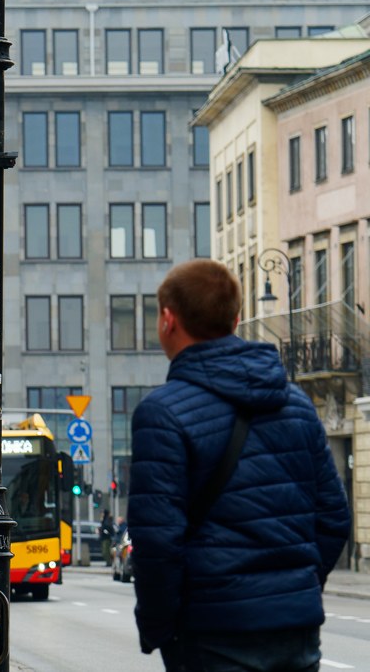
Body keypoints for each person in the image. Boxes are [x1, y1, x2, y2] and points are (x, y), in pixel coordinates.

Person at [129, 259, 351, 671]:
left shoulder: (161, 414)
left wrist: (163, 630)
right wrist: (293, 591)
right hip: (295, 633)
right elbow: (335, 518)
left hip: (213, 632)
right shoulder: (298, 405)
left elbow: (158, 543)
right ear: (236, 319)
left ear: (167, 319)